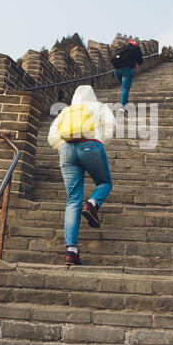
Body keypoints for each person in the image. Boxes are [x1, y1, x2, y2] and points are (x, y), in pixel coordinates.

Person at [48, 85, 115, 266]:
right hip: (91, 146)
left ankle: (71, 252)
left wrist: (64, 148)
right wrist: (101, 142)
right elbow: (111, 125)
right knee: (104, 183)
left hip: (67, 150)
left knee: (72, 201)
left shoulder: (67, 110)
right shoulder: (100, 106)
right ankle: (92, 204)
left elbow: (52, 135)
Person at [111, 40, 143, 112]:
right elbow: (140, 61)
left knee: (124, 88)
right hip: (126, 70)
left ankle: (125, 103)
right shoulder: (135, 48)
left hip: (116, 70)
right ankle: (122, 106)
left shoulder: (123, 48)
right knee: (125, 88)